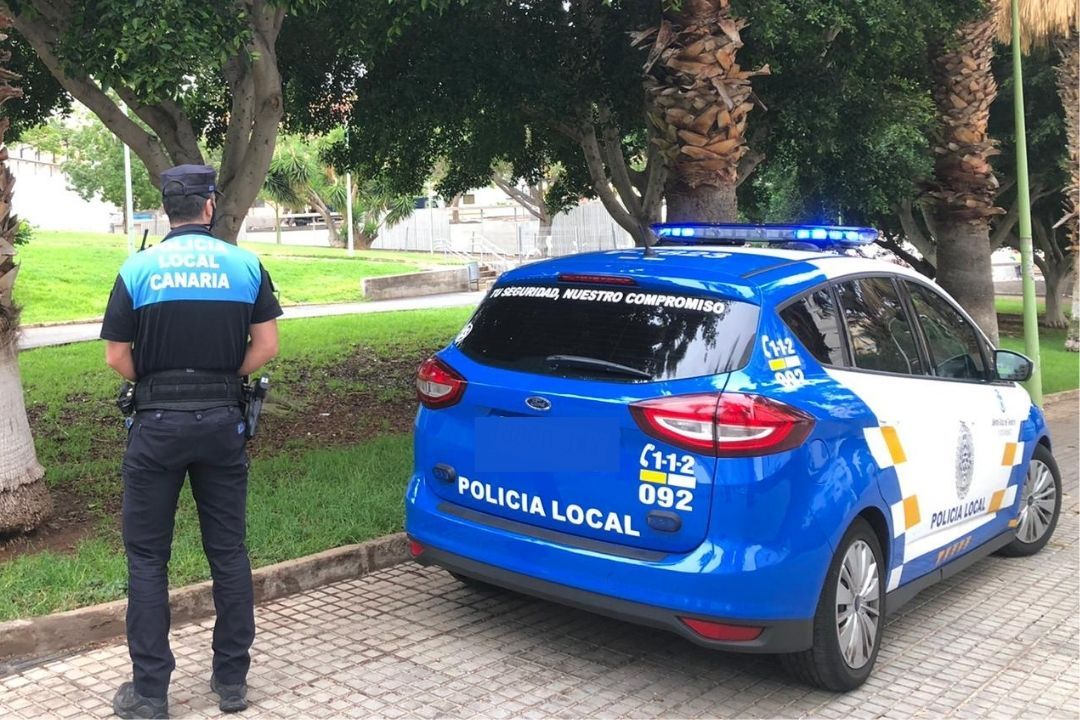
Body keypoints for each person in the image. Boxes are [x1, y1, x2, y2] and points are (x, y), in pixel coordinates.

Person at [100, 165, 282, 719]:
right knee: (228, 553)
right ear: (208, 206)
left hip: (155, 425)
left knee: (148, 560)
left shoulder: (138, 268)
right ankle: (231, 684)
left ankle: (150, 694)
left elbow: (116, 357)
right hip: (223, 422)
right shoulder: (245, 264)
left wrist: (154, 385)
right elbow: (267, 345)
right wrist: (225, 378)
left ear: (166, 209)